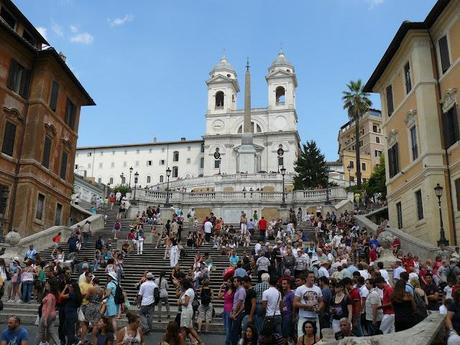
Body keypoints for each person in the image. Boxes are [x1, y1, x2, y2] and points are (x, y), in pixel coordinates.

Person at [294, 272, 323, 337]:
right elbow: (295, 303)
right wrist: (307, 305)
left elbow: (321, 301)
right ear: (306, 278)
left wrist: (319, 308)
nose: (312, 278)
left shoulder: (318, 288)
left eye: (313, 277)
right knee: (301, 337)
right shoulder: (300, 289)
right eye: (310, 277)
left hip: (314, 317)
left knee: (316, 337)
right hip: (303, 317)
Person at [178, 279, 203, 345]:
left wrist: (180, 302)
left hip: (186, 311)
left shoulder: (187, 292)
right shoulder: (191, 290)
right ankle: (200, 341)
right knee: (190, 328)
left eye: (181, 285)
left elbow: (186, 303)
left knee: (183, 328)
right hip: (189, 310)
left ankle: (182, 343)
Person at [228, 277, 246, 345]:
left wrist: (235, 313)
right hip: (236, 312)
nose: (234, 283)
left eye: (235, 281)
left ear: (239, 282)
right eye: (234, 281)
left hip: (238, 313)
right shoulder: (238, 290)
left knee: (234, 332)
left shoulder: (241, 290)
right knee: (235, 331)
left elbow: (240, 302)